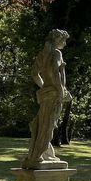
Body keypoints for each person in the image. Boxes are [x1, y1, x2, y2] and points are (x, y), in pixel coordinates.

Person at [22, 29, 72, 169]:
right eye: (63, 40)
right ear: (57, 40)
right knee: (48, 125)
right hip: (54, 94)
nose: (65, 43)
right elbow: (56, 73)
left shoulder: (42, 55)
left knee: (42, 123)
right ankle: (37, 156)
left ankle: (37, 154)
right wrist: (60, 91)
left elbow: (34, 74)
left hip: (46, 94)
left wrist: (44, 87)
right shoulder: (56, 53)